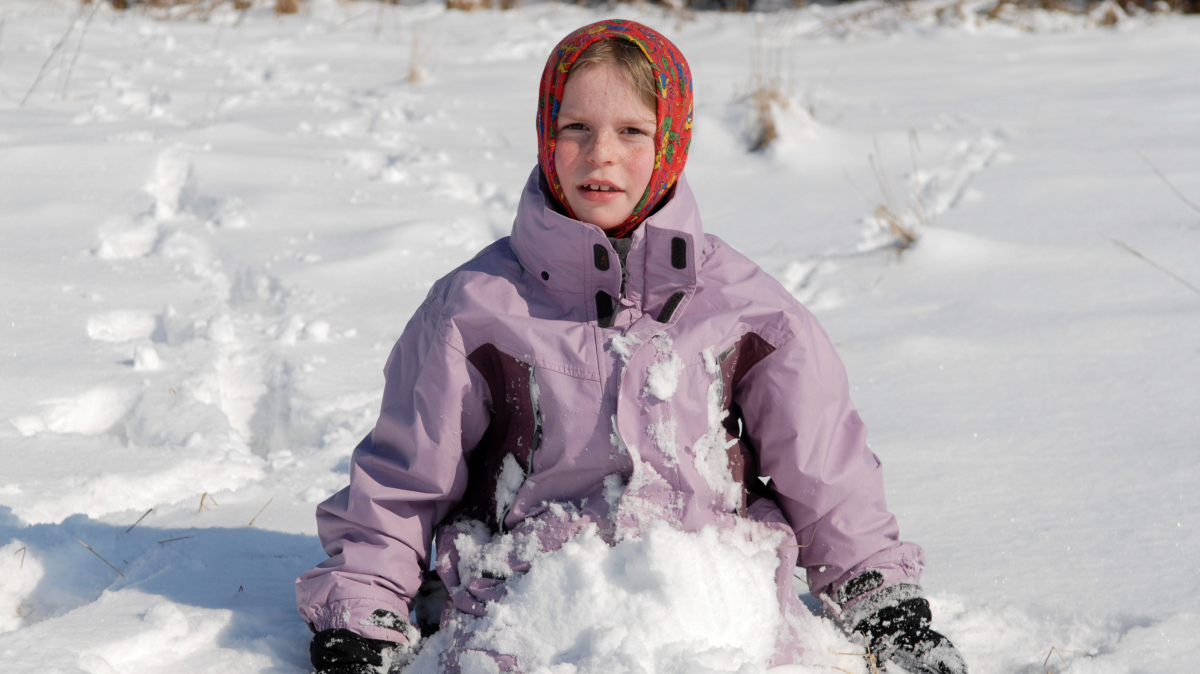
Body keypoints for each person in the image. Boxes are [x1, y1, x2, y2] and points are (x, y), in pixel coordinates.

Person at [296, 19, 968, 674]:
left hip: (711, 603)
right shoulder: (476, 309)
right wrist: (364, 610)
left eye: (631, 131)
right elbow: (403, 479)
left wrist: (881, 598)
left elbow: (824, 470)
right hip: (530, 606)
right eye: (576, 129)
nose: (601, 154)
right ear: (545, 136)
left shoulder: (746, 310)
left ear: (672, 142)